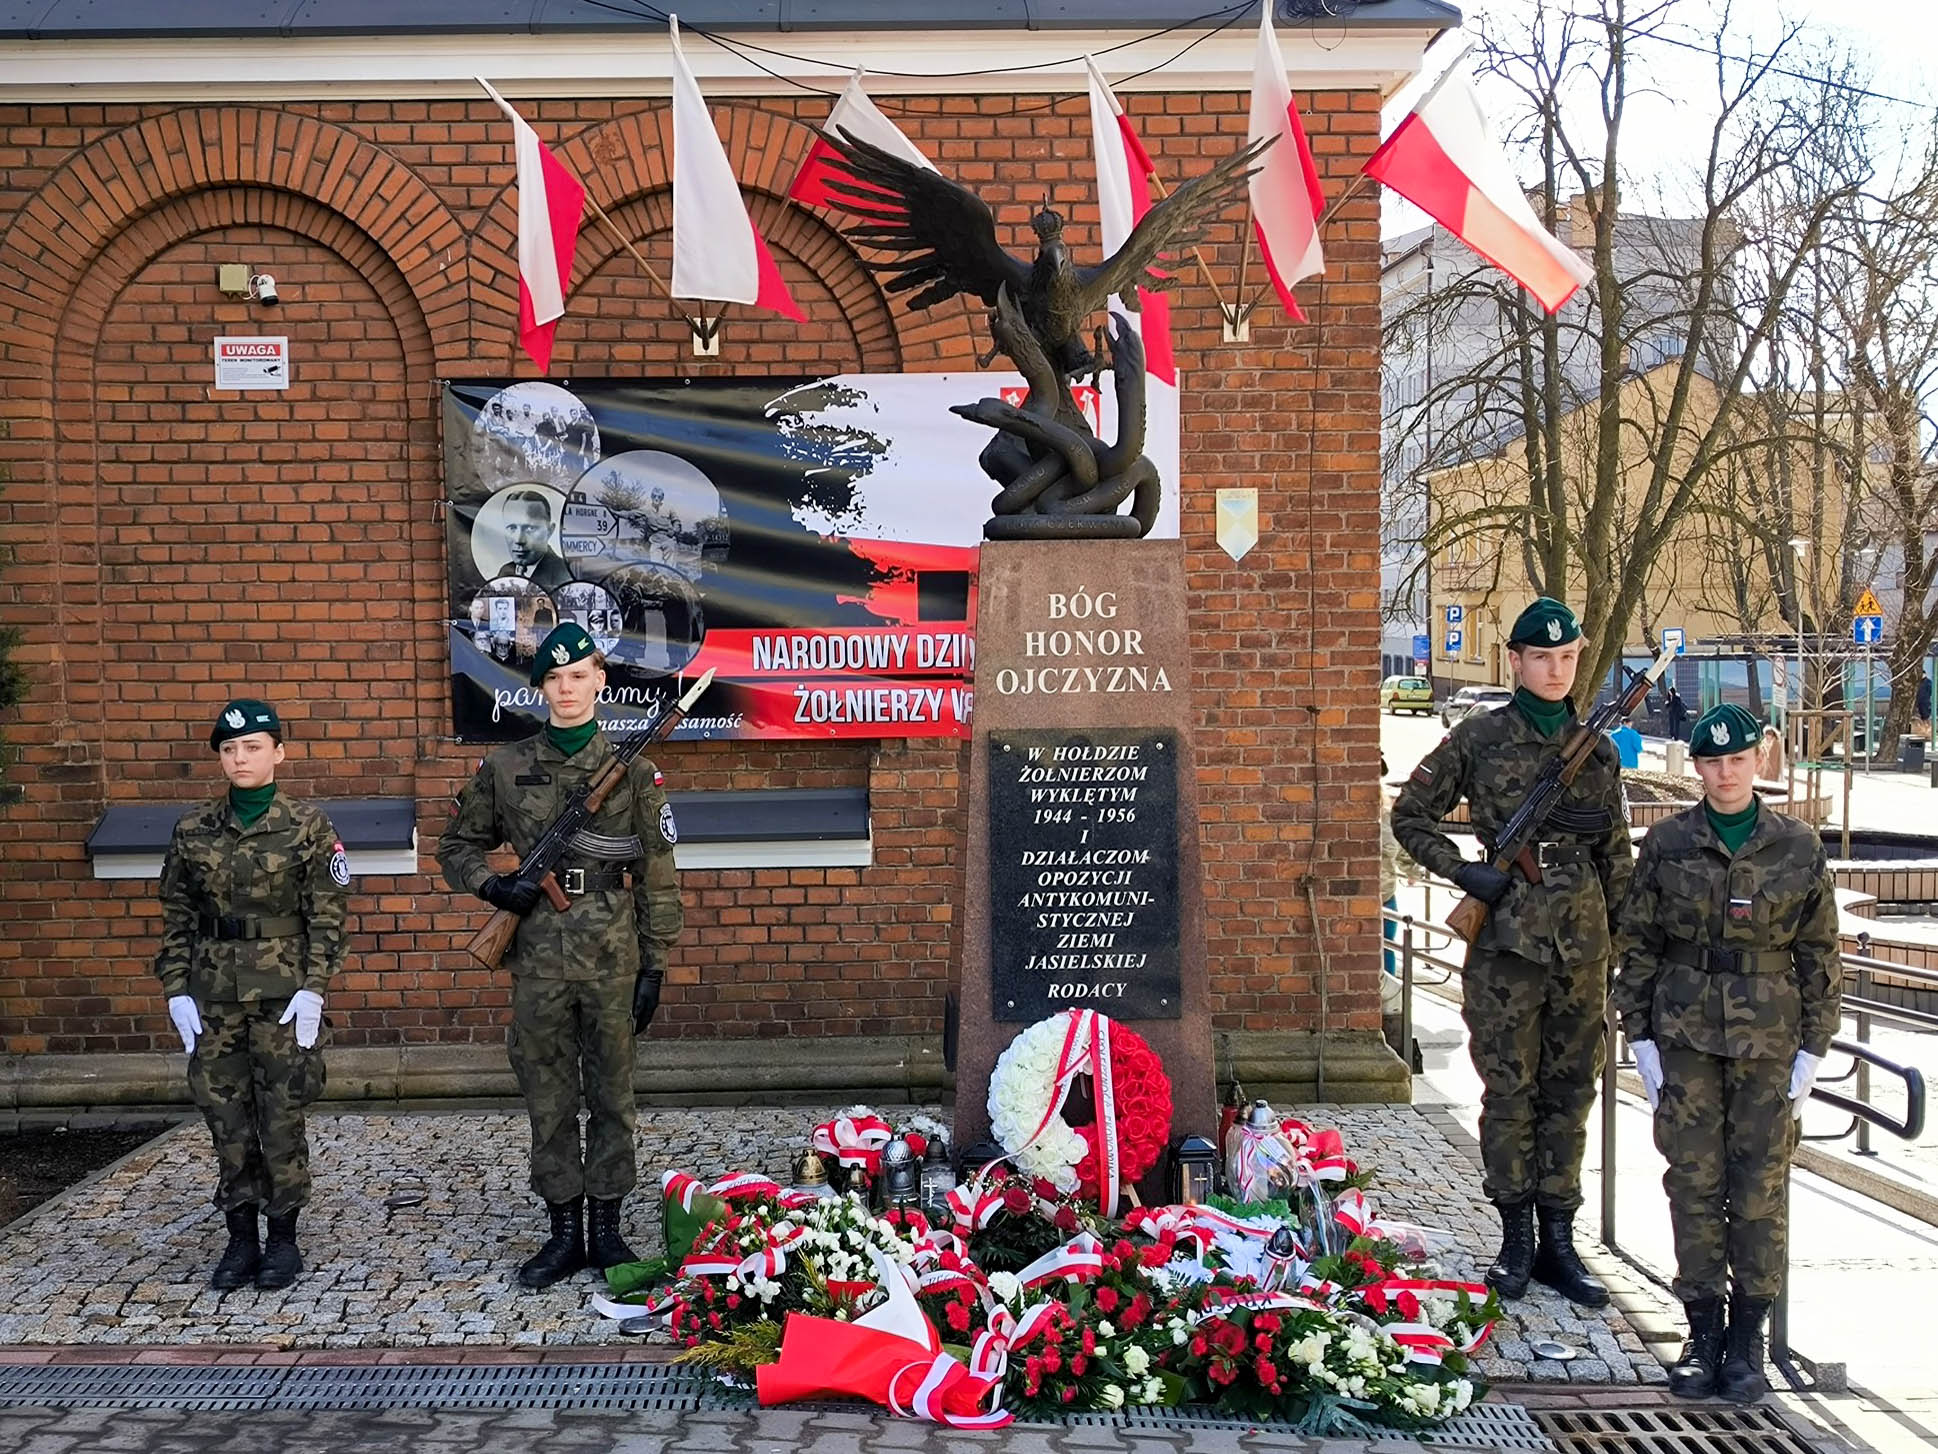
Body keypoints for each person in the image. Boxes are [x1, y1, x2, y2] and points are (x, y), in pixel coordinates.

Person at [1392, 597, 1632, 1307]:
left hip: (1582, 947)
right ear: (1516, 662)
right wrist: (1464, 872)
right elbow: (1409, 816)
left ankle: (1560, 1239)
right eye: (1542, 658)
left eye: (1567, 658)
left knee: (1571, 1093)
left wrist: (1626, 951)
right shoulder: (1480, 738)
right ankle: (1516, 1237)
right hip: (1507, 947)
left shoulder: (1601, 749)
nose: (1555, 670)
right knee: (1509, 1094)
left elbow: (1614, 852)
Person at [438, 623, 683, 1289]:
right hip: (539, 955)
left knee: (612, 1095)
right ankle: (563, 1231)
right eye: (554, 678)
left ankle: (606, 1229)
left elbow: (658, 871)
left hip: (613, 955)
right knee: (547, 1095)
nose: (567, 689)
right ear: (541, 686)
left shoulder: (633, 773)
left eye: (579, 676)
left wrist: (655, 964)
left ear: (601, 681)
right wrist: (493, 884)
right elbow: (456, 845)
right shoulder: (507, 767)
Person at [1613, 703, 1839, 1403]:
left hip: (1769, 1040)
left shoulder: (1796, 846)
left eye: (1737, 760)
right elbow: (1639, 942)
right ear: (1698, 767)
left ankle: (1749, 1341)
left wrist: (1815, 1048)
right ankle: (1703, 1330)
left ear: (1758, 762)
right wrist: (1639, 1032)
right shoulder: (1668, 843)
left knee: (1761, 1189)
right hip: (1684, 1037)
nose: (1725, 774)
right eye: (1712, 762)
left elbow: (1818, 951)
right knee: (1693, 1183)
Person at [154, 699, 347, 1291]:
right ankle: (240, 1239)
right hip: (212, 997)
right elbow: (178, 915)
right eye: (230, 749)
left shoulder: (308, 825)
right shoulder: (192, 829)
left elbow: (328, 917)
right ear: (219, 757)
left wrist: (315, 989)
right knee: (227, 1120)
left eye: (253, 746)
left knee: (282, 1118)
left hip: (283, 996)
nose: (240, 757)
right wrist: (176, 990)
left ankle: (283, 1239)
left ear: (278, 753)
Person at [495, 489, 575, 591]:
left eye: (530, 528)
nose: (519, 540)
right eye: (512, 528)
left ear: (550, 531)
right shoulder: (505, 571)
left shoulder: (565, 575)